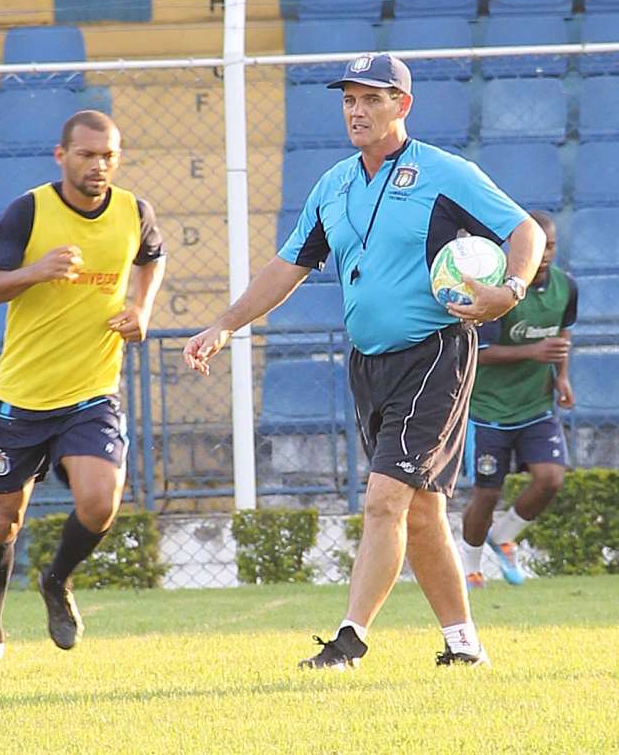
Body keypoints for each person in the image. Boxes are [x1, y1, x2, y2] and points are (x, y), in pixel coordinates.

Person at [183, 53, 544, 669]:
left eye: (372, 98)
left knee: (383, 500)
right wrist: (224, 324)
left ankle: (349, 640)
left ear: (402, 105)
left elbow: (525, 232)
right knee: (422, 508)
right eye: (349, 99)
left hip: (434, 355)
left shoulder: (444, 172)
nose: (357, 110)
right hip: (368, 365)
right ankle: (464, 646)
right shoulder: (334, 184)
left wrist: (508, 291)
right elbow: (287, 266)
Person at [0, 110, 166, 659]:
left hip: (92, 393)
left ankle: (56, 579)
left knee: (100, 502)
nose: (98, 165)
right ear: (62, 157)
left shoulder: (134, 212)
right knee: (2, 519)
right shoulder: (29, 211)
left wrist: (141, 307)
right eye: (87, 155)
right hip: (23, 399)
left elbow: (152, 257)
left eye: (109, 156)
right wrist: (34, 271)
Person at [460, 210, 577, 589]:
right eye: (538, 246)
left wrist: (562, 378)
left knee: (550, 479)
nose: (545, 255)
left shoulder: (566, 288)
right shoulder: (499, 292)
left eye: (552, 247)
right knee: (487, 492)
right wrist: (532, 352)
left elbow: (561, 335)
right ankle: (471, 567)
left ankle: (505, 534)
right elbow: (478, 351)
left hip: (535, 407)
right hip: (489, 410)